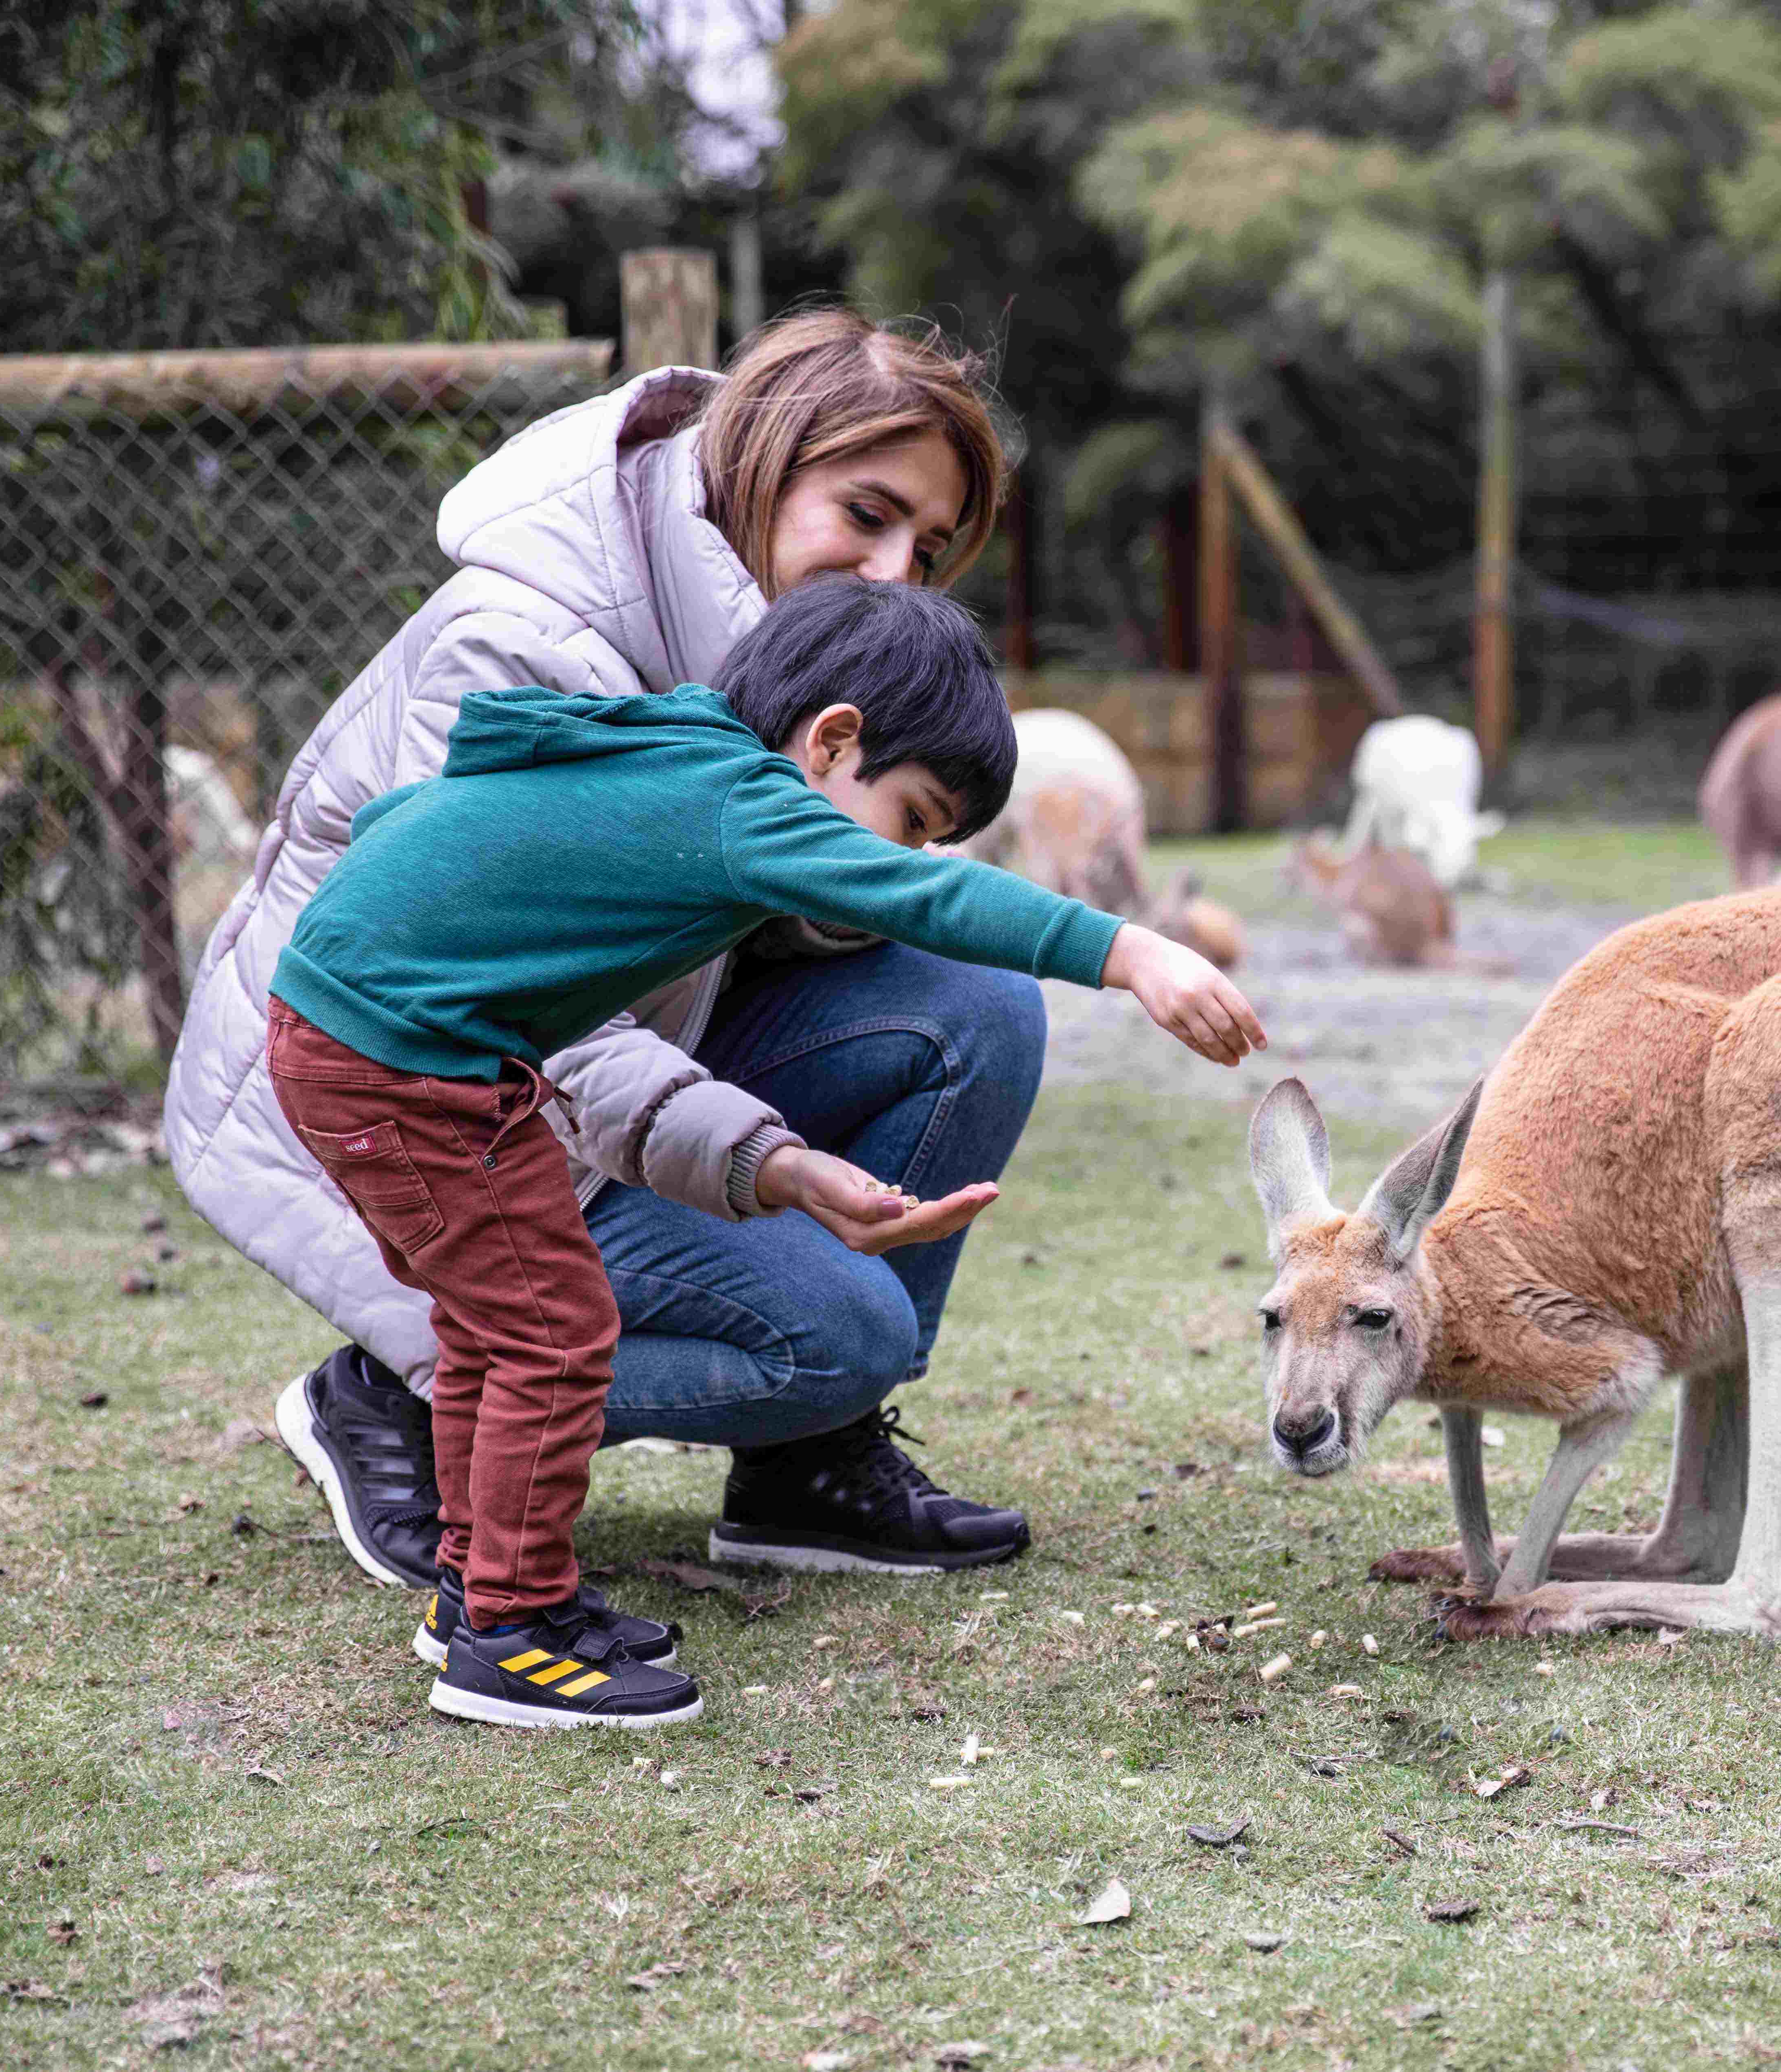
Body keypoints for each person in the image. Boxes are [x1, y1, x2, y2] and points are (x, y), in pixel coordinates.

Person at [166, 310, 1085, 1591]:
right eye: (864, 514)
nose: (892, 576)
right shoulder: (522, 644)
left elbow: (727, 939)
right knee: (836, 1334)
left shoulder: (795, 664)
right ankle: (408, 1402)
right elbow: (516, 1006)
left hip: (588, 1090)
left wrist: (844, 875)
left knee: (977, 1008)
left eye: (925, 550)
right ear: (762, 464)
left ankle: (807, 1477)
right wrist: (765, 1157)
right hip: (418, 1114)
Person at [273, 578, 1262, 1727]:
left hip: (394, 1038)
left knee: (498, 1326)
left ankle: (475, 1591)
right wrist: (1130, 953)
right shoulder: (744, 800)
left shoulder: (665, 760)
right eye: (914, 814)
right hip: (397, 1060)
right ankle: (512, 1635)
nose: (906, 857)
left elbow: (414, 822)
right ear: (833, 742)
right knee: (554, 1328)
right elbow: (921, 897)